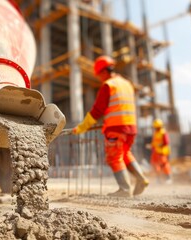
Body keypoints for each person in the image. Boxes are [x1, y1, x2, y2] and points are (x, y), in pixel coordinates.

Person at [72, 55, 149, 197]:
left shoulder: (109, 85)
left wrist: (82, 127)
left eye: (99, 75)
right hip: (131, 127)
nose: (99, 78)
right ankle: (141, 178)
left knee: (114, 157)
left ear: (103, 72)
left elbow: (97, 111)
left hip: (116, 128)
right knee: (124, 154)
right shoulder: (126, 84)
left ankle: (125, 190)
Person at [149, 119, 172, 184]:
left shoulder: (163, 132)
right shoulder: (155, 133)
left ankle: (168, 178)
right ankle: (158, 179)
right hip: (156, 152)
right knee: (156, 165)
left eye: (157, 127)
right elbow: (154, 142)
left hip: (162, 152)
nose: (156, 128)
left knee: (164, 165)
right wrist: (152, 146)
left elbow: (166, 142)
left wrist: (159, 145)